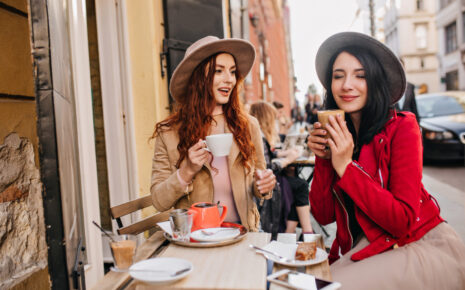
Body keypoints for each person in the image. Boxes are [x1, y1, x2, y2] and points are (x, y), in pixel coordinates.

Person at [308, 32, 465, 289]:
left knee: (326, 287)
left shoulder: (403, 127)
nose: (347, 85)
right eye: (338, 76)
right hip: (364, 249)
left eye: (360, 75)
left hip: (418, 244)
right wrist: (325, 159)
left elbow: (402, 221)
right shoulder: (337, 132)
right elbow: (324, 216)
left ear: (375, 81)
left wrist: (347, 167)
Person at [150, 36, 276, 231]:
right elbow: (159, 201)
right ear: (199, 78)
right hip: (195, 239)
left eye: (233, 72)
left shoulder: (248, 125)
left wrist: (263, 186)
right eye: (219, 71)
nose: (229, 79)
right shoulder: (169, 133)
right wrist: (186, 171)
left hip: (243, 233)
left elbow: (258, 181)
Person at [250, 101, 314, 237]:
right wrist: (287, 159)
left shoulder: (258, 135)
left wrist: (286, 153)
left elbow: (269, 154)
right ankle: (302, 232)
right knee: (300, 186)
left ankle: (293, 234)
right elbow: (266, 168)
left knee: (297, 185)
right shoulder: (258, 136)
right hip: (265, 183)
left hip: (267, 181)